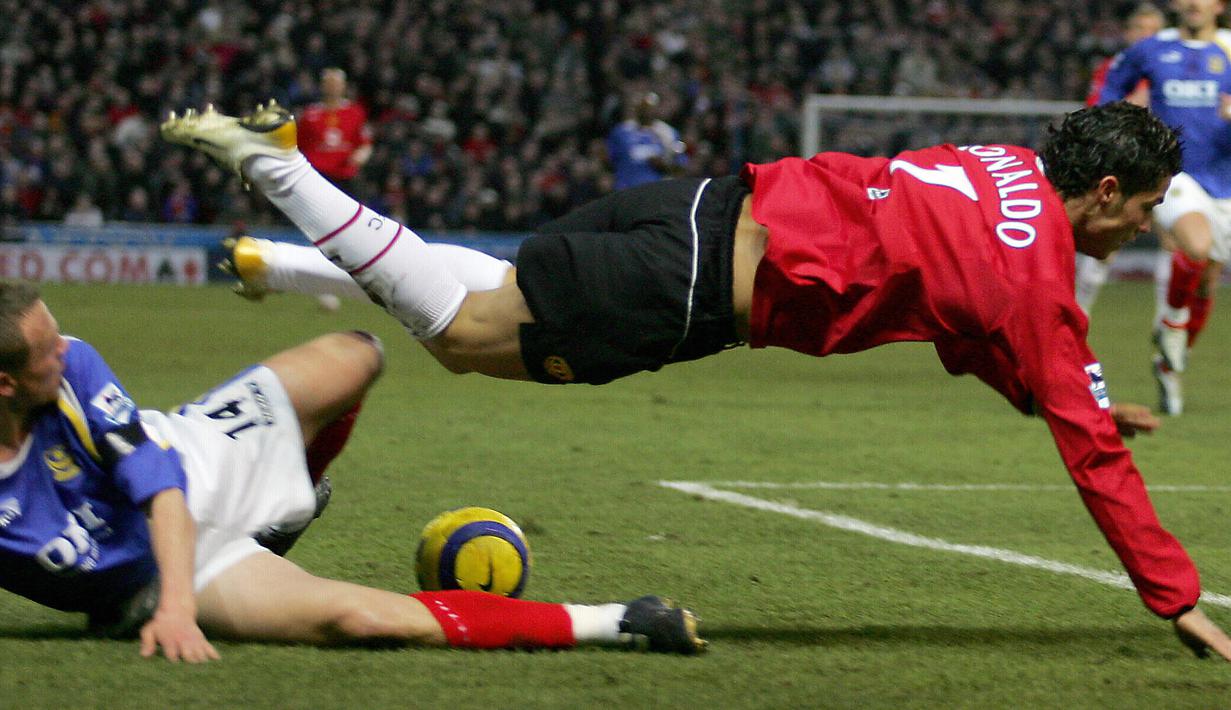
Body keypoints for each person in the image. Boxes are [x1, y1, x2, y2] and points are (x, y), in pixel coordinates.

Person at [161, 100, 1231, 661]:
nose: (1139, 227)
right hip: (691, 289)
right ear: (1103, 187)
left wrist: (1038, 387)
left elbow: (957, 316)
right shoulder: (1036, 272)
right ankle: (278, 167)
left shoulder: (998, 165)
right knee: (466, 334)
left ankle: (292, 257)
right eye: (1139, 209)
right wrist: (1175, 598)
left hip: (695, 203)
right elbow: (1086, 445)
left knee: (490, 292)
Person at [0, 281, 705, 662]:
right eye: (43, 349)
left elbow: (158, 481)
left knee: (359, 353)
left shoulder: (73, 365)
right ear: (5, 385)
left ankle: (290, 501)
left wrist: (179, 609)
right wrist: (175, 604)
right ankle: (620, 622)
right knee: (360, 619)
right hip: (168, 577)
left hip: (195, 456)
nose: (63, 347)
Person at [1098, 0, 1231, 415]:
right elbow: (1109, 89)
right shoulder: (1151, 49)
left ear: (1219, 5)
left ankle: (1169, 365)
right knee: (1195, 244)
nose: (1193, 3)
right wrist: (1117, 134)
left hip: (1223, 179)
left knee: (1208, 279)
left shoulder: (1229, 48)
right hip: (1174, 172)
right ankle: (1172, 324)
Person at [1075, 2, 1165, 314]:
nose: (1146, 36)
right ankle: (1079, 309)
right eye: (1140, 29)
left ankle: (1168, 321)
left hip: (1166, 165)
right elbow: (1094, 111)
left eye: (1153, 31)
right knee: (1101, 234)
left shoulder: (1170, 68)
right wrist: (1131, 105)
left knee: (1178, 242)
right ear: (1127, 34)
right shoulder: (1113, 70)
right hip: (1119, 163)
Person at [297, 68, 373, 194]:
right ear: (322, 86)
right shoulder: (309, 115)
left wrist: (360, 156)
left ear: (343, 86)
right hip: (317, 177)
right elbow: (298, 146)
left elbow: (365, 144)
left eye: (336, 84)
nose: (332, 87)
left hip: (345, 176)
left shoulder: (354, 112)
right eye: (329, 83)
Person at [606, 92, 688, 190]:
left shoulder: (668, 132)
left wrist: (663, 164)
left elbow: (680, 166)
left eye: (651, 108)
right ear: (637, 108)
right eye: (644, 107)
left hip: (655, 190)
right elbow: (609, 160)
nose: (647, 111)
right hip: (625, 189)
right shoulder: (622, 131)